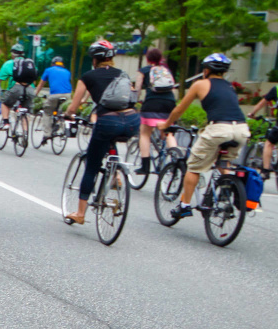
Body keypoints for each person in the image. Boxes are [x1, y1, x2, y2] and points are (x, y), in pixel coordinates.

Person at [159, 53, 249, 219]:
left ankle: (184, 206)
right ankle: (227, 195)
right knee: (224, 163)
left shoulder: (200, 84)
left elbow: (179, 109)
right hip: (242, 130)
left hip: (219, 129)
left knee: (194, 167)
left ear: (206, 70)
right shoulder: (230, 87)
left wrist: (166, 124)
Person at [63, 40, 140, 225]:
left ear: (95, 60)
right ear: (111, 58)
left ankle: (80, 213)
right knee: (111, 139)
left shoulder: (88, 76)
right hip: (132, 121)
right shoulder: (123, 74)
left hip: (107, 121)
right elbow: (131, 98)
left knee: (92, 166)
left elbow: (74, 104)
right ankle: (116, 173)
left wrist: (68, 114)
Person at [133, 48, 178, 176]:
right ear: (160, 58)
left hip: (152, 104)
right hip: (169, 104)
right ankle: (176, 161)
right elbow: (173, 89)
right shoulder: (166, 70)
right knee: (168, 133)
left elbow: (137, 90)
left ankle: (145, 167)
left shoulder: (143, 71)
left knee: (145, 134)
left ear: (148, 59)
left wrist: (135, 103)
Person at [34, 56, 72, 146]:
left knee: (47, 111)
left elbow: (41, 84)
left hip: (55, 95)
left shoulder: (48, 70)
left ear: (52, 63)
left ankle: (47, 134)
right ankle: (59, 122)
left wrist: (35, 94)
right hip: (67, 95)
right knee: (61, 111)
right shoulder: (67, 72)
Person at [0, 56, 37, 132]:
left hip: (17, 88)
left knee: (5, 103)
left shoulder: (11, 64)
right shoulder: (30, 64)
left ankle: (5, 122)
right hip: (30, 90)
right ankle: (25, 133)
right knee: (26, 111)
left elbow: (0, 79)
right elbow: (35, 80)